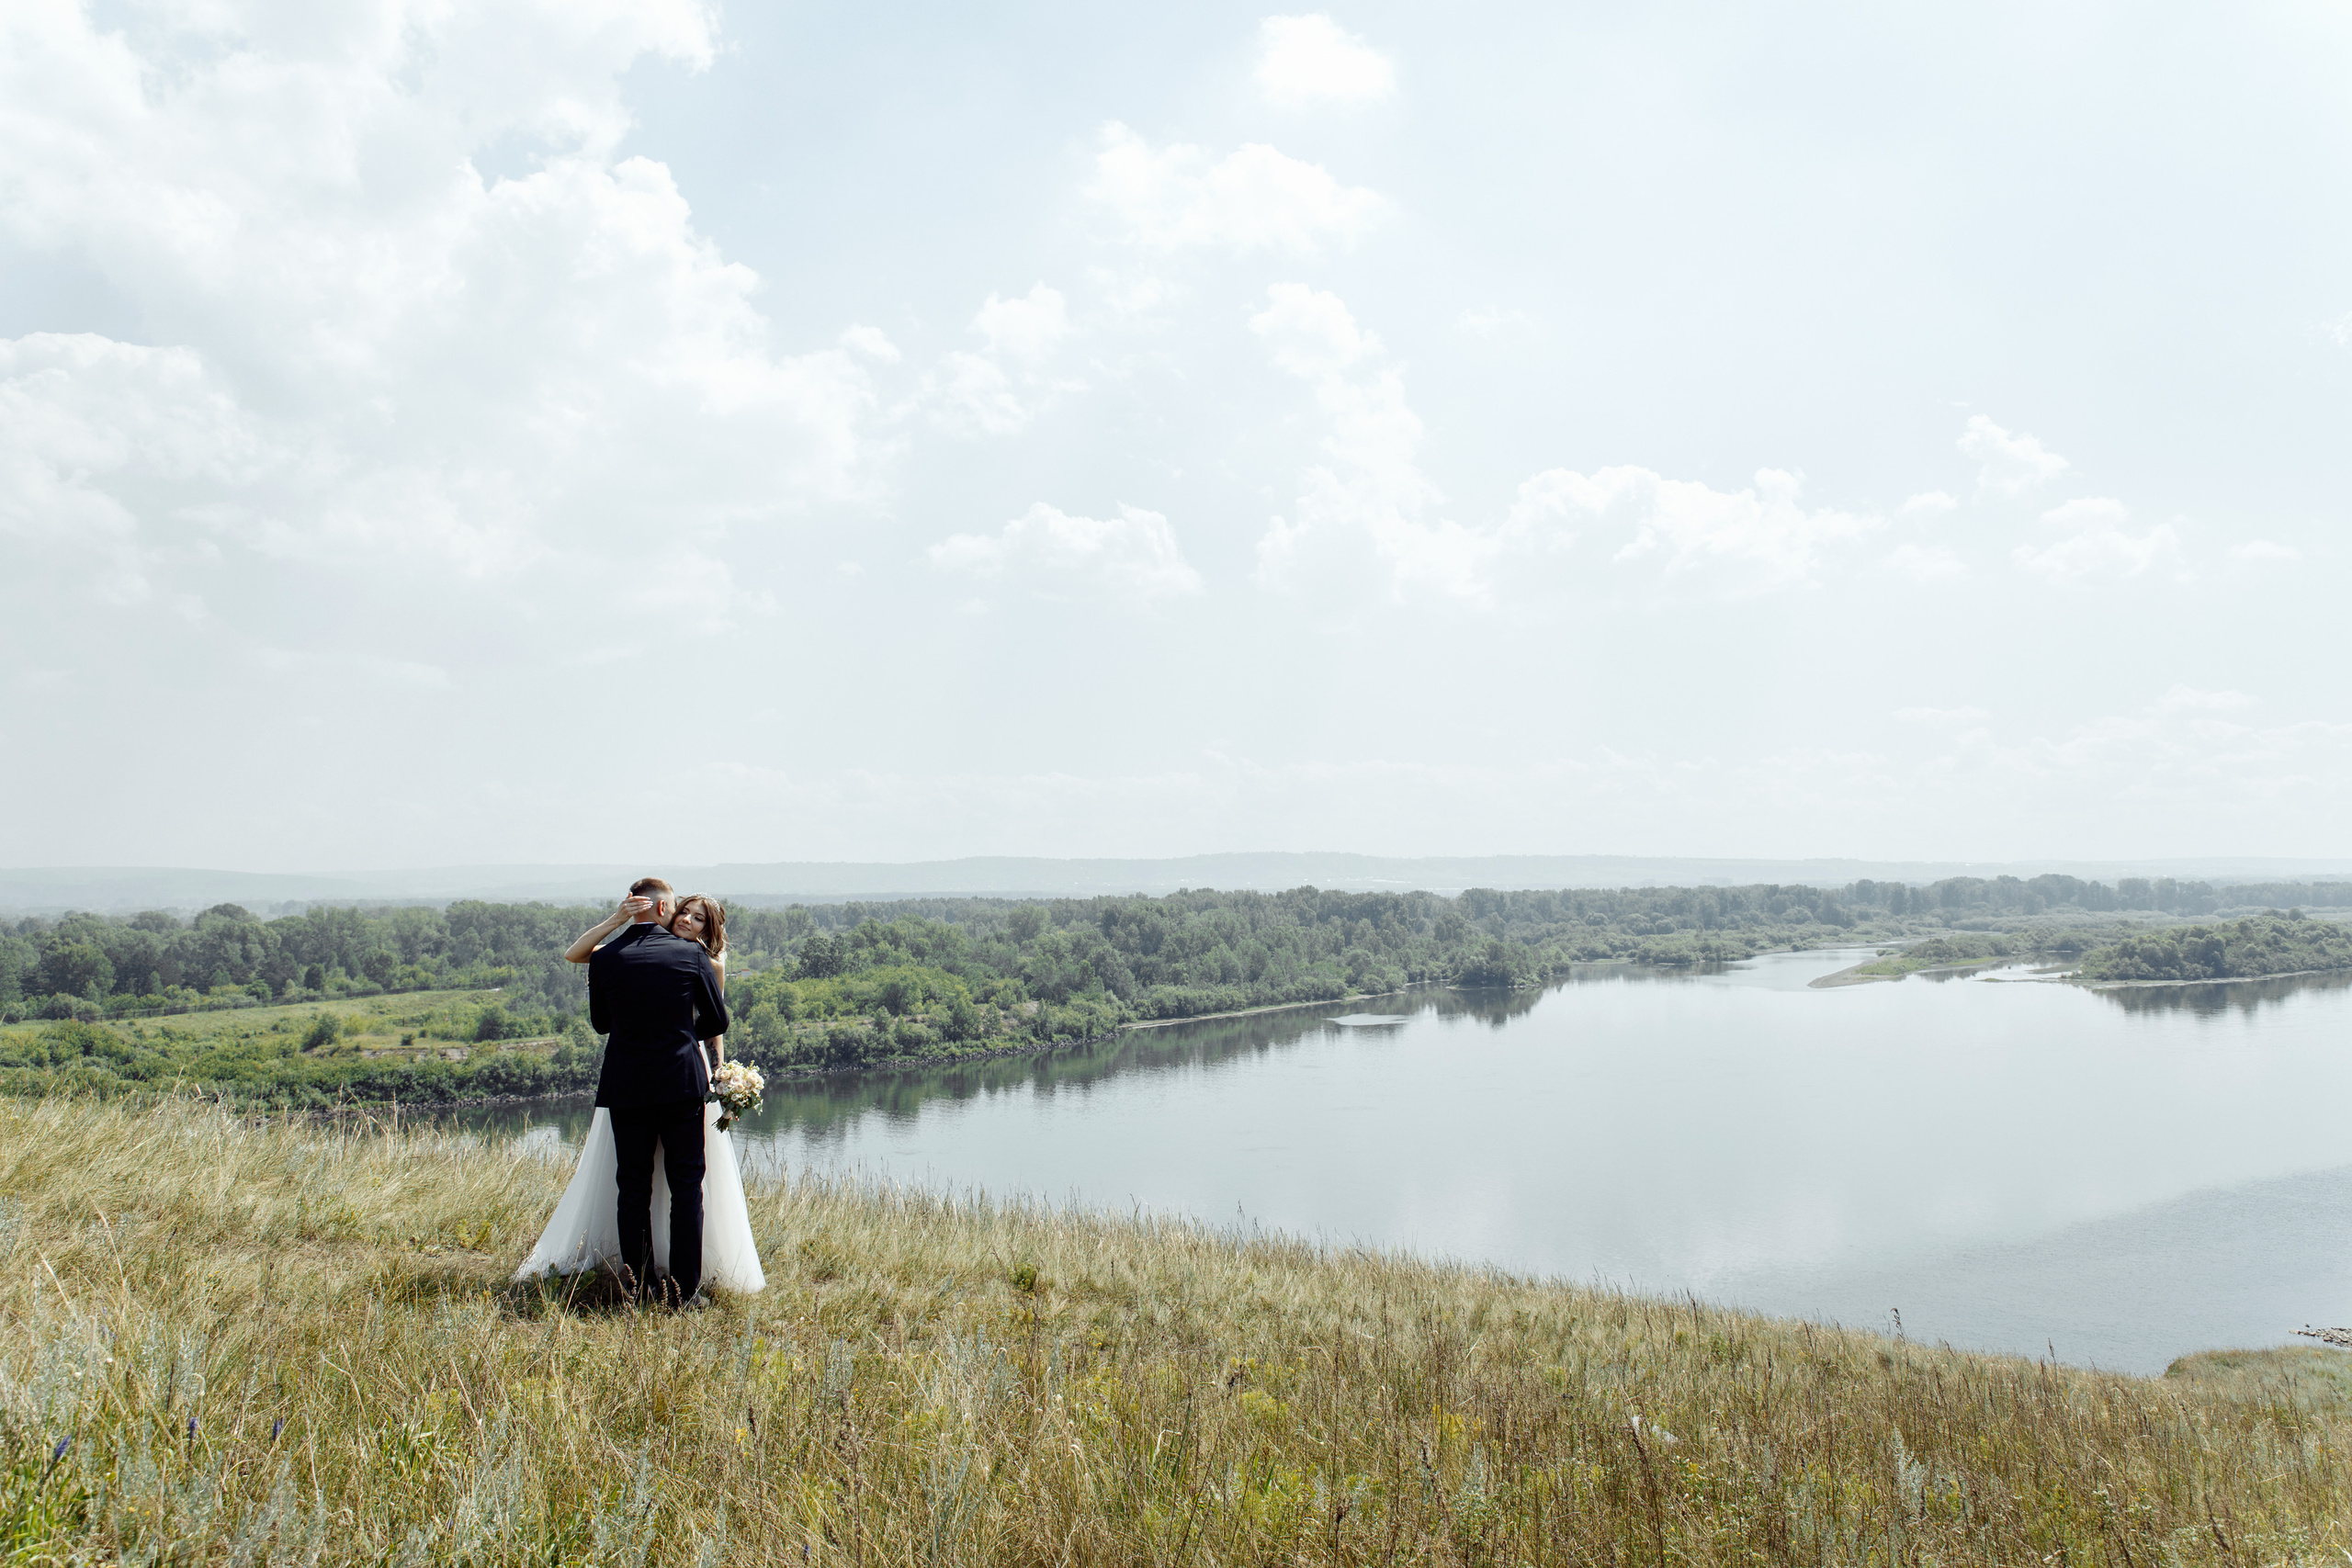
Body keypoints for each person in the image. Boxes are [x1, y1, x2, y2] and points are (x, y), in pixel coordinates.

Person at [514, 878, 763, 1303]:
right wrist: (682, 1034)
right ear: (665, 909)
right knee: (687, 1186)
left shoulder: (606, 959)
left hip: (626, 1085)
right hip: (681, 1083)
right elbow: (718, 1021)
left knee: (632, 1186)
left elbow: (601, 1024)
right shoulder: (691, 955)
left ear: (633, 907)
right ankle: (684, 1292)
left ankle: (640, 1286)